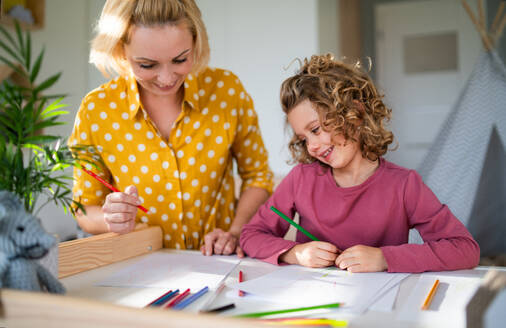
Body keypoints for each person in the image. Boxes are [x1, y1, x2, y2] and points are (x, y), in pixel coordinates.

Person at [240, 54, 480, 273]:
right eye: (304, 139)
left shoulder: (405, 185)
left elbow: (465, 249)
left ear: (354, 113)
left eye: (315, 129)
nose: (312, 146)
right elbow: (250, 235)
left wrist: (385, 258)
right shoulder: (300, 179)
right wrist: (295, 253)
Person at [69, 0, 273, 256]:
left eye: (180, 60)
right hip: (140, 266)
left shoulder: (226, 91)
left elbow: (258, 177)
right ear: (120, 50)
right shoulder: (97, 110)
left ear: (196, 43)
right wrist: (110, 218)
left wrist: (234, 233)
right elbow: (84, 209)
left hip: (219, 260)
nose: (166, 79)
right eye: (147, 65)